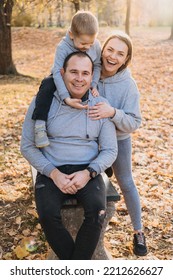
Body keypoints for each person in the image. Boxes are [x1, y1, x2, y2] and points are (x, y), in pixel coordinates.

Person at [20, 52, 117, 260]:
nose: (79, 78)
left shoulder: (100, 105)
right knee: (47, 214)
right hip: (51, 168)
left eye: (85, 73)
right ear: (62, 73)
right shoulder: (43, 102)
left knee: (98, 211)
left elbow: (110, 150)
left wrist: (89, 173)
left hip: (87, 168)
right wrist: (53, 174)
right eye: (73, 72)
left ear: (92, 77)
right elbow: (27, 145)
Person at [88, 31, 148, 256]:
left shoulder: (128, 85)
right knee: (92, 180)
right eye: (110, 50)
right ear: (102, 50)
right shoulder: (90, 70)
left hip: (119, 139)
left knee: (126, 181)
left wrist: (112, 112)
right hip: (90, 140)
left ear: (126, 59)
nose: (113, 56)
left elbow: (134, 121)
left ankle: (138, 231)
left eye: (120, 53)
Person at [32, 10, 101, 148]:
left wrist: (93, 84)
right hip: (60, 77)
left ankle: (97, 139)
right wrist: (65, 97)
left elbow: (98, 65)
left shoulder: (96, 45)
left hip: (84, 79)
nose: (87, 47)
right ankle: (40, 125)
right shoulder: (63, 47)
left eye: (90, 43)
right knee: (46, 85)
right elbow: (57, 72)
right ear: (71, 35)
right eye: (83, 44)